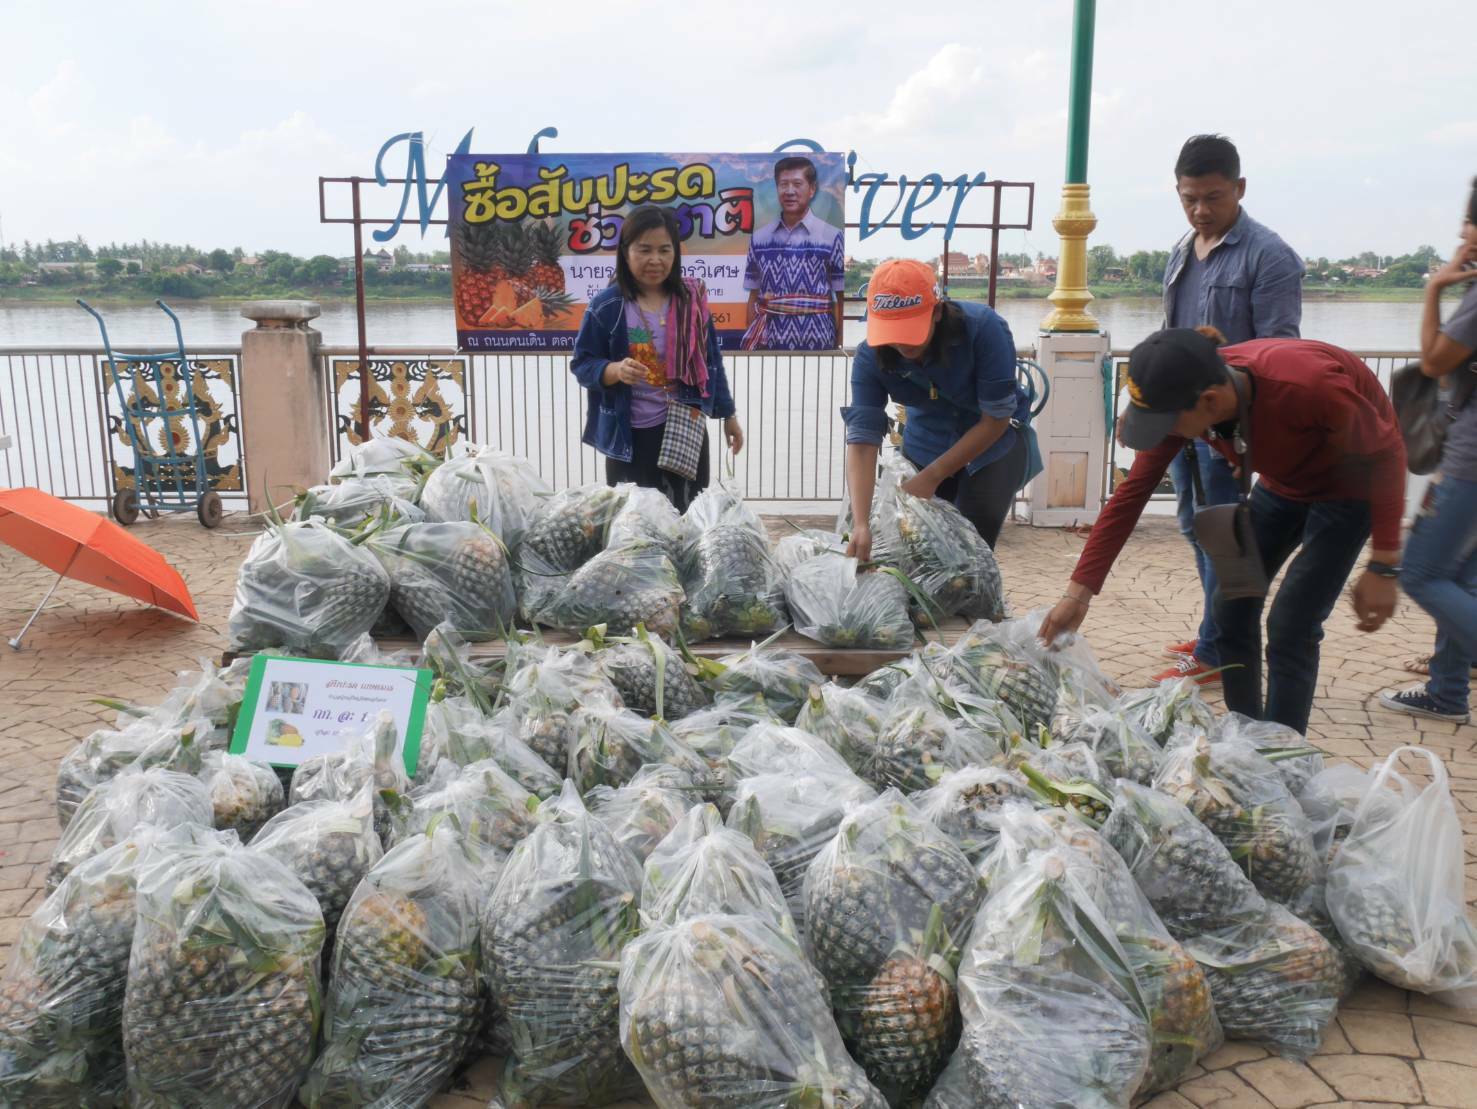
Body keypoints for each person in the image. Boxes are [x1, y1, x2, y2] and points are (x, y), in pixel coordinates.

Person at [1039, 327, 1406, 734]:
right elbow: (1131, 495)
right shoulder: (1183, 399)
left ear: (1210, 402)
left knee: (1291, 624)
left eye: (1167, 424)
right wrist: (1078, 594)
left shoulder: (1308, 385)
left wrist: (1384, 565)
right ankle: (1245, 736)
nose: (1168, 435)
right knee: (1230, 607)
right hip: (1284, 484)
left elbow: (1386, 456)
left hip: (1351, 487)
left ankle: (1283, 753)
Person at [1155, 134, 1305, 687]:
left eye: (1213, 197)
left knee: (1228, 536)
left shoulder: (1270, 257)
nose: (1200, 210)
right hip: (1183, 423)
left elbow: (1281, 354)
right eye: (1189, 198)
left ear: (1239, 188)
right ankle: (1213, 633)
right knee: (1197, 528)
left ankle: (1221, 648)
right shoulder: (1180, 250)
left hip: (1229, 429)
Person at [841, 258, 1030, 557]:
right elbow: (863, 441)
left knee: (971, 549)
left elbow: (997, 418)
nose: (902, 344)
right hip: (925, 443)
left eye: (910, 329)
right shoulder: (870, 357)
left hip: (992, 446)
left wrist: (932, 476)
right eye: (892, 332)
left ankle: (974, 602)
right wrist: (861, 522)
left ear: (938, 311)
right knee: (918, 551)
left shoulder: (984, 329)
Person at [1379, 179, 1477, 723]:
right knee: (1461, 578)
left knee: (1420, 572)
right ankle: (1447, 694)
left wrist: (1435, 288)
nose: (1464, 232)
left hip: (1471, 462)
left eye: (1469, 221)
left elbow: (1435, 362)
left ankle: (1449, 691)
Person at [572, 204, 743, 512]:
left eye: (665, 250)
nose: (656, 260)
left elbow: (712, 361)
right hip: (631, 436)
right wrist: (614, 370)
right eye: (644, 249)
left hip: (685, 429)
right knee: (633, 526)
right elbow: (583, 364)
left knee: (687, 518)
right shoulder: (607, 306)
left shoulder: (691, 300)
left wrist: (728, 416)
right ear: (625, 252)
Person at [740, 155, 845, 351]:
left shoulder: (832, 236)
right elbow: (753, 295)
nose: (790, 191)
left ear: (812, 189)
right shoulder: (759, 238)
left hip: (820, 343)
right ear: (777, 188)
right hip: (768, 343)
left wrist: (839, 343)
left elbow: (840, 297)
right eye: (783, 184)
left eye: (797, 184)